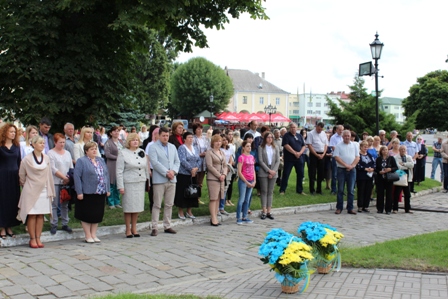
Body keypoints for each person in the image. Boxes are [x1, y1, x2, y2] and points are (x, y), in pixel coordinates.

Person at [18, 135, 55, 248]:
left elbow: (49, 174)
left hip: (44, 189)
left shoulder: (47, 158)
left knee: (40, 215)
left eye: (43, 143)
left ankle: (38, 237)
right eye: (40, 143)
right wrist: (27, 185)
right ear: (33, 144)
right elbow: (22, 175)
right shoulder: (27, 159)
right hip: (31, 189)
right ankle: (32, 238)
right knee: (32, 215)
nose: (42, 145)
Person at [73, 141, 110, 243]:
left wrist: (107, 189)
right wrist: (79, 192)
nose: (94, 150)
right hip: (87, 192)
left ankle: (94, 234)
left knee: (97, 214)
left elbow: (106, 175)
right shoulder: (82, 161)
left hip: (100, 191)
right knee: (87, 214)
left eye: (95, 148)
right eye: (92, 149)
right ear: (86, 151)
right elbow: (77, 177)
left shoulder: (100, 160)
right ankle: (87, 235)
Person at [148, 127, 180, 236]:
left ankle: (167, 225)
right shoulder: (153, 147)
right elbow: (155, 163)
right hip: (160, 179)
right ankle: (155, 227)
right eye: (163, 136)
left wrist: (174, 172)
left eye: (167, 135)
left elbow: (177, 161)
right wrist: (166, 172)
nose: (165, 137)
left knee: (169, 204)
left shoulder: (172, 147)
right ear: (158, 136)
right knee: (157, 204)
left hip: (172, 179)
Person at [116, 133, 150, 238]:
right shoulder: (123, 153)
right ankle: (127, 229)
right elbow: (119, 171)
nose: (135, 141)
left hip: (140, 182)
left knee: (137, 207)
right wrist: (120, 186)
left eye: (137, 140)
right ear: (128, 142)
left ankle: (134, 228)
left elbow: (145, 167)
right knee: (129, 207)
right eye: (133, 140)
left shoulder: (142, 151)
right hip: (129, 183)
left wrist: (148, 181)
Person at [47, 133, 74, 235]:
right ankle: (54, 224)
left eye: (63, 142)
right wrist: (63, 177)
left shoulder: (67, 153)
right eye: (60, 142)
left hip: (66, 182)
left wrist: (68, 178)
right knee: (54, 204)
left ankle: (65, 223)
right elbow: (53, 169)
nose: (62, 144)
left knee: (65, 203)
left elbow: (70, 166)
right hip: (55, 181)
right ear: (55, 142)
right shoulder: (51, 153)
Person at [0, 123, 21, 239]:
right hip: (2, 175)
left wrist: (20, 176)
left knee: (13, 201)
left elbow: (19, 162)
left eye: (14, 132)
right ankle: (3, 227)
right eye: (11, 132)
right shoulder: (1, 146)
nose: (13, 134)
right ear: (5, 133)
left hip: (14, 176)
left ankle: (10, 226)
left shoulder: (17, 146)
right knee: (3, 201)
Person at [333, 130, 360, 215]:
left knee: (351, 190)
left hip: (352, 170)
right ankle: (339, 208)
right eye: (345, 136)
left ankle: (350, 208)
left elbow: (357, 157)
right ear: (343, 136)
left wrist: (352, 165)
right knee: (340, 189)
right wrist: (346, 165)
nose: (347, 137)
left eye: (348, 135)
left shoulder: (354, 145)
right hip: (341, 169)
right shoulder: (338, 146)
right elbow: (336, 157)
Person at [175, 131, 201, 220]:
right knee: (183, 192)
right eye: (189, 137)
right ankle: (181, 211)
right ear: (185, 139)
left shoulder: (195, 148)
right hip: (184, 174)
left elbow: (199, 160)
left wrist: (196, 168)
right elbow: (182, 160)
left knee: (193, 192)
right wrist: (191, 169)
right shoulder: (182, 148)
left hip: (193, 174)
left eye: (192, 137)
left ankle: (189, 210)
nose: (191, 139)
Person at [205, 135, 228, 226]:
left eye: (220, 141)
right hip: (213, 178)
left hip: (221, 178)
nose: (219, 143)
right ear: (213, 142)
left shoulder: (222, 152)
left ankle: (215, 216)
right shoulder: (209, 153)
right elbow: (210, 166)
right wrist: (219, 175)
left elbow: (225, 165)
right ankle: (213, 217)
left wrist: (224, 174)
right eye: (216, 141)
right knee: (213, 198)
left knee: (218, 198)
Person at [258, 132, 280, 220]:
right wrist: (268, 171)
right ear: (265, 138)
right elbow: (260, 160)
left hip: (273, 171)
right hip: (264, 171)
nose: (270, 139)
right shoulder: (261, 147)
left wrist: (273, 171)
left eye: (271, 137)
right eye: (268, 137)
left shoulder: (276, 147)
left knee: (270, 192)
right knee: (264, 191)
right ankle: (263, 211)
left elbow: (278, 160)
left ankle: (269, 211)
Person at [279, 123, 306, 195]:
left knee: (300, 174)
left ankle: (300, 190)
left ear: (297, 128)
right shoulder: (286, 136)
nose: (293, 129)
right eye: (291, 127)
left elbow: (303, 146)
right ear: (289, 128)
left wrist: (300, 153)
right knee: (286, 174)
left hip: (299, 158)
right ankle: (282, 190)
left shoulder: (299, 136)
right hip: (289, 159)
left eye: (294, 127)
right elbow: (286, 145)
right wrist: (295, 153)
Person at [104, 126, 124, 209]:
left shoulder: (121, 142)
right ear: (111, 133)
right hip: (112, 165)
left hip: (120, 165)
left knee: (118, 183)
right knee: (111, 184)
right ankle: (111, 202)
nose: (116, 133)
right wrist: (118, 157)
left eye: (117, 131)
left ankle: (117, 202)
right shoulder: (108, 143)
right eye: (114, 131)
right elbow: (107, 154)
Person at [236, 140, 256, 224]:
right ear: (243, 148)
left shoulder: (252, 157)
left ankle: (245, 216)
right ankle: (238, 217)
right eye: (247, 146)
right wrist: (246, 181)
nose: (249, 148)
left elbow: (253, 169)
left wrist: (254, 180)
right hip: (244, 180)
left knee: (247, 200)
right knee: (242, 199)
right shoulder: (241, 157)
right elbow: (239, 171)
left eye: (250, 146)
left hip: (251, 180)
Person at [306, 122, 328, 195]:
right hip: (314, 154)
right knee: (312, 172)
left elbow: (325, 145)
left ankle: (319, 189)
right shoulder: (311, 133)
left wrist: (323, 154)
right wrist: (316, 154)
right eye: (319, 129)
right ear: (316, 127)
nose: (320, 130)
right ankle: (312, 189)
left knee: (321, 173)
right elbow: (309, 145)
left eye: (321, 129)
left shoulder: (323, 133)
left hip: (322, 154)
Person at [375, 146, 398, 214]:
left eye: (386, 150)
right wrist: (379, 171)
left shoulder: (391, 158)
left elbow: (396, 167)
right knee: (380, 194)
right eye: (383, 150)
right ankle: (380, 208)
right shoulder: (378, 159)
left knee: (389, 194)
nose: (385, 151)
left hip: (389, 178)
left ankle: (388, 209)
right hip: (380, 178)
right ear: (381, 151)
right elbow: (376, 168)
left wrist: (390, 169)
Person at [393, 145, 414, 214]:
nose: (403, 151)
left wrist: (404, 164)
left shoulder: (409, 157)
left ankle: (407, 208)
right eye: (401, 149)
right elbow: (398, 167)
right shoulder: (396, 157)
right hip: (400, 176)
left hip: (408, 177)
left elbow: (412, 165)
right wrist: (406, 166)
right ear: (399, 150)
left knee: (407, 194)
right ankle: (395, 208)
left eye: (404, 149)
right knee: (397, 193)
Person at [356, 140, 375, 213]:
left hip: (369, 176)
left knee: (368, 191)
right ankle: (360, 206)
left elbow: (373, 163)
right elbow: (357, 165)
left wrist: (372, 168)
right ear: (361, 147)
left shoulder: (369, 155)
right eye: (364, 147)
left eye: (367, 147)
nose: (365, 148)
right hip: (361, 175)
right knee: (361, 190)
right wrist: (365, 168)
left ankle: (366, 205)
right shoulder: (358, 155)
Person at [192, 123, 208, 205]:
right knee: (195, 181)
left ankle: (198, 198)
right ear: (195, 130)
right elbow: (192, 150)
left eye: (201, 129)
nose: (200, 130)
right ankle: (193, 197)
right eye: (198, 129)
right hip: (196, 162)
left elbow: (208, 148)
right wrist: (199, 154)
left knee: (200, 182)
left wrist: (206, 153)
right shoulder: (193, 139)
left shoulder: (204, 139)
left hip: (203, 163)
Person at [219, 135, 234, 215]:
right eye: (223, 140)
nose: (225, 141)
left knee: (226, 188)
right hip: (221, 169)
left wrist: (229, 167)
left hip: (228, 169)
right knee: (221, 189)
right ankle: (219, 207)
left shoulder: (229, 149)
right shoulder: (220, 149)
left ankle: (222, 207)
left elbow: (231, 159)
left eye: (226, 140)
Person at [329, 125, 343, 195]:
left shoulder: (343, 137)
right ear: (336, 130)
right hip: (336, 157)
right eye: (340, 130)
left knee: (342, 174)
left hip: (343, 158)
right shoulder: (333, 137)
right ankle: (333, 189)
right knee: (334, 174)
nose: (341, 131)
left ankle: (341, 189)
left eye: (342, 130)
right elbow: (333, 147)